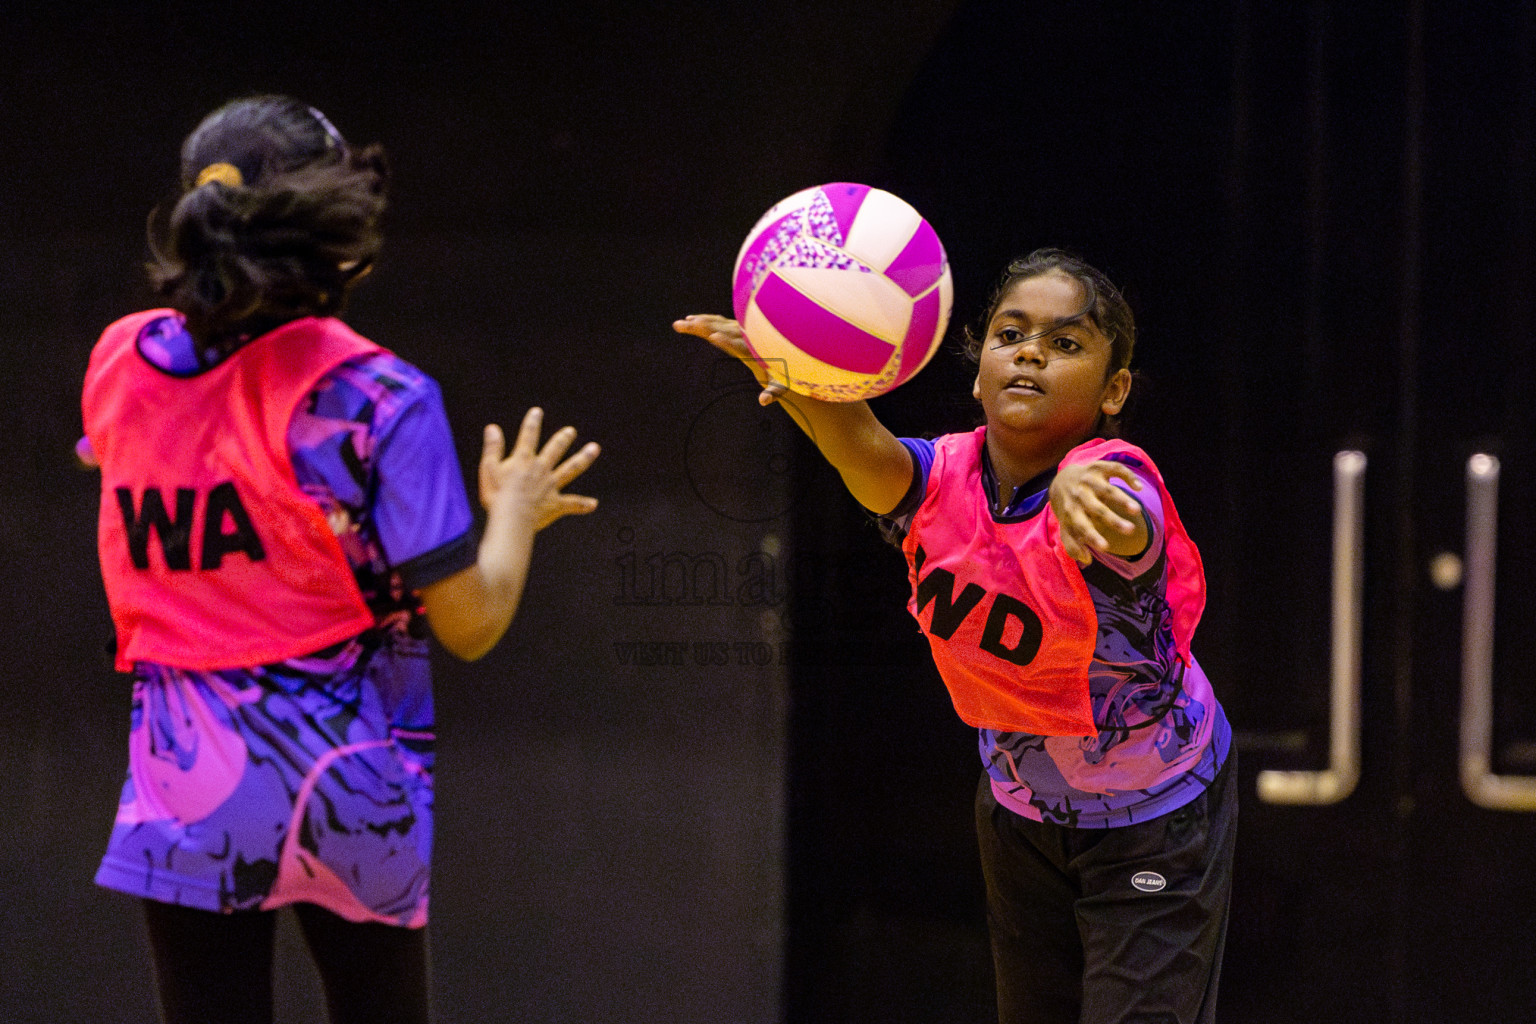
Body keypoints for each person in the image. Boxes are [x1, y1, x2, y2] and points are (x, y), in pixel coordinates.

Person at [78, 95, 599, 1024]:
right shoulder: (378, 395)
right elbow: (471, 623)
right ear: (346, 239)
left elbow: (125, 456)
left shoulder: (121, 357)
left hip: (186, 763)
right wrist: (513, 512)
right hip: (345, 773)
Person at [675, 248, 1234, 1024]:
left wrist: (1080, 483)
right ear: (977, 374)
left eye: (1066, 343)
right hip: (1018, 809)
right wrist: (795, 362)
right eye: (1012, 334)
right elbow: (864, 451)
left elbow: (1125, 503)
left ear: (1114, 392)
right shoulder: (942, 478)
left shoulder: (1113, 474)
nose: (1032, 351)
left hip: (1155, 820)